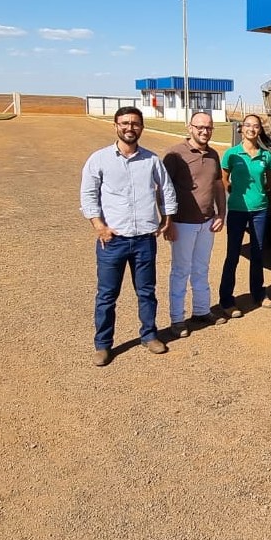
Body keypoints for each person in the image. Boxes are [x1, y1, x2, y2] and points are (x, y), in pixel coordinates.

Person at [80, 106, 178, 366]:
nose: (130, 128)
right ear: (116, 126)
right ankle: (103, 345)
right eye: (124, 123)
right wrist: (99, 225)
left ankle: (149, 335)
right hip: (112, 240)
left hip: (144, 239)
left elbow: (166, 189)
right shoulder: (99, 159)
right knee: (106, 295)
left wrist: (167, 218)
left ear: (141, 127)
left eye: (135, 123)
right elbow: (88, 194)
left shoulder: (151, 160)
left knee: (146, 292)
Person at [162, 111, 226, 338]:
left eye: (208, 127)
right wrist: (167, 221)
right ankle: (177, 319)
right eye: (200, 127)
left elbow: (218, 185)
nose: (204, 131)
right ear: (190, 127)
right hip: (183, 223)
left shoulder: (213, 155)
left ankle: (201, 310)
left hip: (207, 222)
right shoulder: (175, 155)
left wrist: (221, 213)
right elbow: (163, 189)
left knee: (201, 268)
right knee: (181, 271)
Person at [219, 114, 271, 314]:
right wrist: (234, 192)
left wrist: (264, 196)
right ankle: (227, 300)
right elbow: (224, 179)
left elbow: (270, 183)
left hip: (259, 210)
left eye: (256, 126)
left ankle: (259, 293)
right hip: (237, 210)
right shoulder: (232, 154)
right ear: (241, 129)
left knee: (258, 253)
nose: (252, 129)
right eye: (248, 125)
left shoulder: (266, 156)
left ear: (260, 130)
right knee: (233, 254)